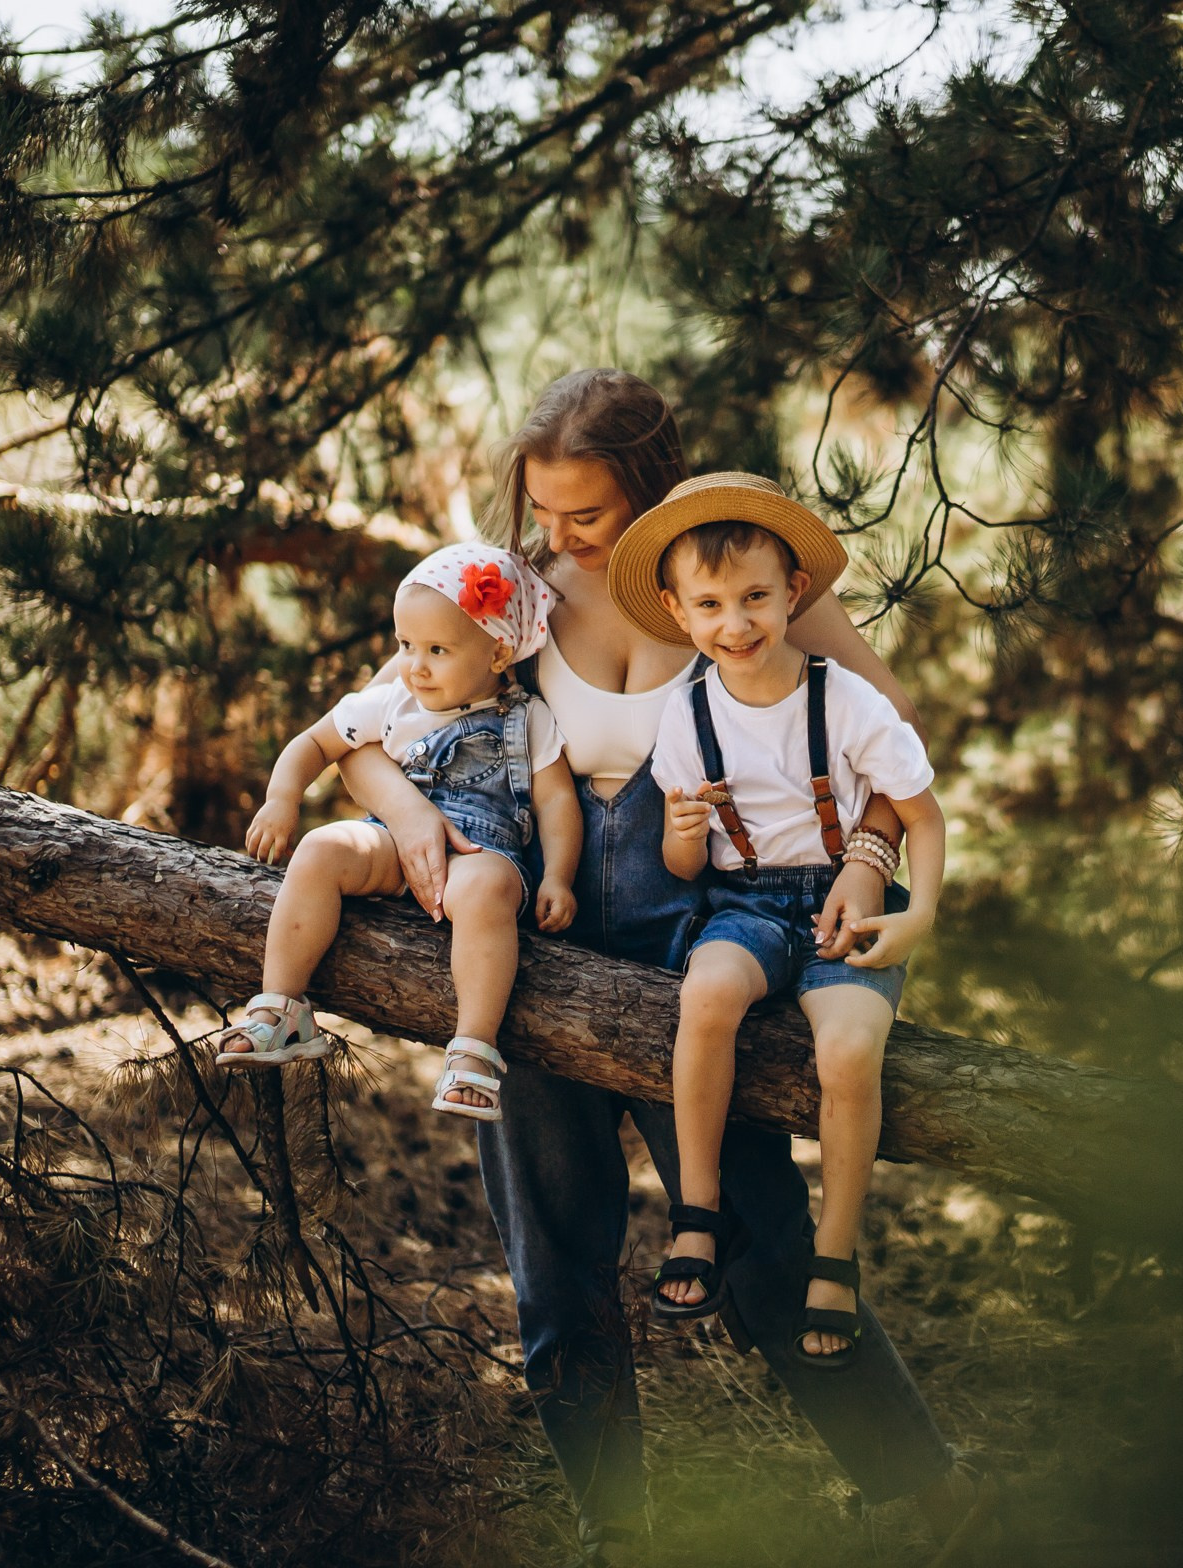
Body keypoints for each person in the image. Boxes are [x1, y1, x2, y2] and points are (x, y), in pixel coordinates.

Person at [335, 370, 995, 1561]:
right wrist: (411, 814)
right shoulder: (510, 596)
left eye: (583, 514)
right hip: (529, 963)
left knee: (758, 1237)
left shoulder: (725, 579)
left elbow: (893, 756)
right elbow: (361, 728)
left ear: (650, 490)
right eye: (542, 508)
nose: (555, 537)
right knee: (556, 1257)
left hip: (696, 957)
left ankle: (930, 1493)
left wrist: (867, 856)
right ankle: (616, 1530)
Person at [611, 474, 943, 1368]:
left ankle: (835, 1253)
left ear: (794, 593)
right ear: (679, 613)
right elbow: (691, 866)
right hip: (745, 905)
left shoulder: (849, 702)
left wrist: (919, 917)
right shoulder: (687, 714)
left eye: (756, 597)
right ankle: (697, 1214)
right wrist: (682, 837)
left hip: (843, 900)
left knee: (845, 1052)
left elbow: (924, 814)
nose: (737, 622)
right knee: (707, 995)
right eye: (711, 605)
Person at [216, 543, 580, 1120]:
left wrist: (558, 875)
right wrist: (282, 797)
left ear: (498, 651)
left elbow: (557, 801)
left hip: (477, 855)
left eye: (437, 650)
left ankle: (474, 1049)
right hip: (390, 842)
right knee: (322, 848)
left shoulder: (528, 717)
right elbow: (314, 742)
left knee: (488, 890)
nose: (416, 665)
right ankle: (281, 1007)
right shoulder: (392, 703)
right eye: (406, 646)